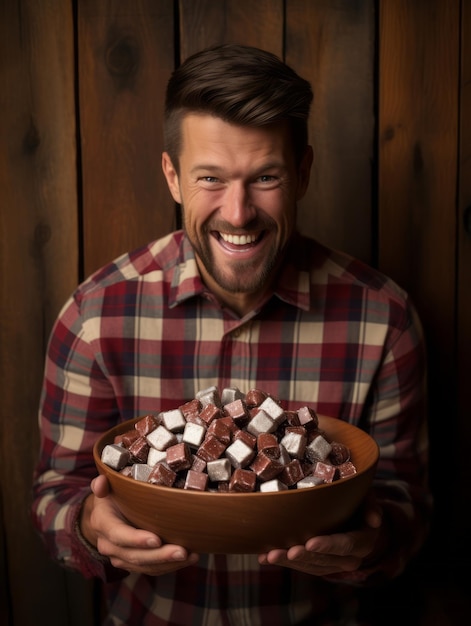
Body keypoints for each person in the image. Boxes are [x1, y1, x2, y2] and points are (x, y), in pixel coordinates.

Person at [32, 44, 431, 625]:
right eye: (210, 179)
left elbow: (408, 505)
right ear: (172, 176)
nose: (238, 213)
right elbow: (54, 495)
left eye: (265, 176)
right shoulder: (95, 316)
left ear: (303, 173)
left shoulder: (384, 320)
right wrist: (89, 527)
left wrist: (378, 539)